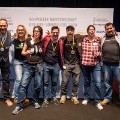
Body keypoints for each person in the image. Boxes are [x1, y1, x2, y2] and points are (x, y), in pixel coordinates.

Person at [12, 26, 43, 115]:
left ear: (40, 33)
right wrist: (27, 52)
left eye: (38, 31)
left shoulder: (42, 41)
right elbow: (22, 52)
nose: (36, 33)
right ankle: (19, 105)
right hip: (28, 65)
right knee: (23, 85)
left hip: (39, 65)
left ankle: (35, 101)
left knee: (38, 85)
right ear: (33, 32)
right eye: (35, 31)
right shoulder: (28, 40)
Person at [81, 25, 103, 110]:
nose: (92, 31)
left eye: (93, 30)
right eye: (90, 30)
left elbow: (101, 51)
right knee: (87, 82)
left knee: (97, 83)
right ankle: (86, 98)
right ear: (87, 31)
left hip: (96, 64)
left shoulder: (98, 40)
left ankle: (97, 101)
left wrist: (99, 54)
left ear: (94, 31)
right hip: (85, 64)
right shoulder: (83, 39)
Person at [60, 25, 83, 104]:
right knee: (65, 81)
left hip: (76, 64)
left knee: (76, 82)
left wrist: (97, 36)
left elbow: (88, 36)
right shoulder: (63, 39)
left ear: (73, 31)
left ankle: (74, 96)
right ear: (66, 31)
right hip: (67, 64)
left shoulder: (78, 38)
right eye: (68, 30)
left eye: (71, 30)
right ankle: (63, 96)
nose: (70, 32)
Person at [42, 26, 64, 108]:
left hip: (56, 65)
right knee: (46, 83)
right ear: (51, 32)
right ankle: (45, 99)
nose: (55, 34)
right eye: (53, 32)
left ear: (58, 33)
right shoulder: (47, 39)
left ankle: (53, 97)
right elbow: (40, 39)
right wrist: (47, 35)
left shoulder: (61, 42)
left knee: (54, 83)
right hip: (46, 64)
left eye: (56, 32)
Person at [100, 22, 120, 105]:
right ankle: (107, 98)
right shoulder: (103, 38)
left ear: (114, 28)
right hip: (106, 64)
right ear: (105, 30)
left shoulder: (118, 36)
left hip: (117, 65)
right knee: (107, 83)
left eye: (110, 28)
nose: (109, 30)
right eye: (107, 29)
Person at [12, 25, 30, 103]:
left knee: (24, 81)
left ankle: (23, 97)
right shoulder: (14, 40)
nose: (20, 31)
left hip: (26, 61)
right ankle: (16, 97)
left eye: (22, 30)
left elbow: (38, 39)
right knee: (19, 79)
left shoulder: (28, 39)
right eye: (19, 30)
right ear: (17, 31)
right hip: (17, 61)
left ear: (24, 31)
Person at [0, 18, 13, 106]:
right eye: (0, 26)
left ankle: (7, 98)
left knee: (6, 80)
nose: (2, 27)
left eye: (4, 25)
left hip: (5, 60)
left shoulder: (11, 35)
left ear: (7, 26)